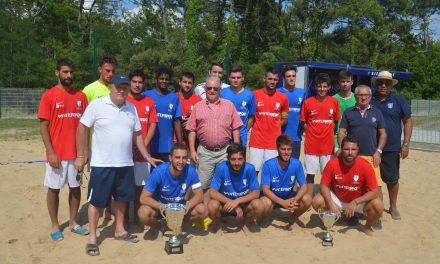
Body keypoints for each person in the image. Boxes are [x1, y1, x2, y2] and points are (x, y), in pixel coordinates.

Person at [75, 74, 161, 256]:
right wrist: (81, 155)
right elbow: (82, 127)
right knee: (96, 201)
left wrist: (146, 156)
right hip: (102, 164)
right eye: (118, 87)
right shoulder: (97, 105)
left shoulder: (131, 108)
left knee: (122, 199)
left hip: (125, 163)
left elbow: (138, 135)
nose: (122, 90)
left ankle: (120, 230)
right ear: (111, 87)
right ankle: (92, 237)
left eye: (125, 87)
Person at [38, 58, 89, 241]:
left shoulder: (81, 96)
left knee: (75, 189)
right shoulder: (49, 96)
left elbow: (85, 126)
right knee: (54, 189)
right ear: (57, 72)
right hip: (57, 154)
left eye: (71, 72)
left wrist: (85, 151)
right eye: (65, 72)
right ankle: (55, 225)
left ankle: (74, 222)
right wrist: (51, 152)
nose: (69, 75)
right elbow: (44, 127)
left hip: (77, 155)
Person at [312, 135, 384, 236]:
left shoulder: (365, 165)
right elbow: (324, 186)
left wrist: (355, 202)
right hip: (338, 199)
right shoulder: (332, 163)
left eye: (353, 149)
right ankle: (335, 218)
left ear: (358, 150)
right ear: (341, 149)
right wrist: (331, 204)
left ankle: (367, 227)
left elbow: (375, 191)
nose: (350, 152)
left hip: (358, 201)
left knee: (378, 205)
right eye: (346, 149)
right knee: (316, 201)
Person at [338, 85, 386, 229]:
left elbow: (383, 134)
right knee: (354, 187)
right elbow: (341, 132)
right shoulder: (348, 112)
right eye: (360, 95)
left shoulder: (377, 113)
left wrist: (378, 151)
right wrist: (343, 150)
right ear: (356, 96)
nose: (363, 97)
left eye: (366, 95)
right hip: (353, 157)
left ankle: (377, 217)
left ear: (370, 97)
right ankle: (353, 215)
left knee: (377, 188)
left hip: (371, 157)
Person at [186, 76, 243, 198]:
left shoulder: (229, 106)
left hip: (225, 151)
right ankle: (203, 212)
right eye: (209, 88)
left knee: (224, 182)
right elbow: (191, 130)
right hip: (205, 152)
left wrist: (236, 149)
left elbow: (236, 128)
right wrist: (192, 150)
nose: (212, 90)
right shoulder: (197, 107)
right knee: (203, 185)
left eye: (215, 88)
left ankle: (220, 212)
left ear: (220, 89)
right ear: (205, 89)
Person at [137, 143, 207, 237]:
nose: (181, 161)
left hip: (179, 208)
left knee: (203, 211)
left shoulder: (191, 170)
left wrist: (185, 207)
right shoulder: (159, 172)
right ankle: (160, 226)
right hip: (160, 207)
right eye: (177, 157)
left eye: (184, 158)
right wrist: (164, 207)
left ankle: (177, 224)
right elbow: (143, 198)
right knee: (143, 213)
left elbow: (199, 195)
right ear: (170, 158)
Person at [371, 70, 413, 221]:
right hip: (371, 147)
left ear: (391, 85)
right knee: (371, 180)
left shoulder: (399, 100)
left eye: (386, 83)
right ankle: (376, 205)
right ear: (375, 84)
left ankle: (393, 206)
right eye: (380, 82)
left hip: (391, 148)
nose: (383, 85)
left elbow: (407, 121)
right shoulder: (369, 100)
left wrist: (406, 144)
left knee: (392, 180)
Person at [208, 144, 263, 235]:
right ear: (228, 159)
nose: (237, 163)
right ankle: (218, 225)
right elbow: (212, 192)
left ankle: (246, 224)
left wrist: (237, 201)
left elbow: (256, 193)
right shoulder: (221, 168)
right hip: (225, 205)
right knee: (211, 205)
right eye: (233, 159)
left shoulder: (250, 168)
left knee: (259, 205)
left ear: (244, 159)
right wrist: (231, 203)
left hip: (243, 205)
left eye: (240, 159)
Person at [300, 73, 341, 196]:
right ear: (315, 87)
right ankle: (308, 198)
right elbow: (304, 122)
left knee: (327, 175)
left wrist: (326, 132)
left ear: (329, 87)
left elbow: (336, 121)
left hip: (328, 147)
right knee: (310, 174)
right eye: (319, 86)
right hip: (311, 145)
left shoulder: (334, 102)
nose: (322, 89)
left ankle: (326, 198)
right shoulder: (307, 102)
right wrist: (313, 132)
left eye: (324, 86)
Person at [126, 69, 158, 224]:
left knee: (140, 188)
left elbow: (152, 125)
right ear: (130, 83)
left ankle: (137, 219)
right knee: (124, 188)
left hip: (144, 154)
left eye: (140, 82)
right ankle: (124, 218)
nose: (137, 85)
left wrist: (143, 145)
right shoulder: (124, 100)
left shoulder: (149, 102)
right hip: (124, 154)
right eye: (134, 82)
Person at [260, 135, 311, 226]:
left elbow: (304, 186)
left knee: (307, 199)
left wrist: (295, 200)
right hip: (272, 197)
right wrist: (282, 202)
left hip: (289, 196)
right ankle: (264, 217)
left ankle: (292, 217)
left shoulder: (296, 163)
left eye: (289, 149)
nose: (286, 152)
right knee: (265, 202)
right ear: (277, 149)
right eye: (283, 149)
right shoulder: (268, 165)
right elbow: (265, 189)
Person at [248, 68, 289, 175]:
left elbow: (284, 118)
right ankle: (254, 191)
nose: (272, 81)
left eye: (275, 79)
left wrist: (275, 126)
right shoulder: (254, 95)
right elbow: (250, 116)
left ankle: (266, 192)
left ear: (278, 80)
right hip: (256, 140)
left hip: (273, 142)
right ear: (264, 79)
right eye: (270, 79)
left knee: (270, 172)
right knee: (254, 171)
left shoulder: (283, 98)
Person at [143, 67, 183, 163]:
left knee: (164, 176)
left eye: (167, 79)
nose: (164, 81)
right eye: (161, 78)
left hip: (167, 148)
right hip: (147, 146)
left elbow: (177, 121)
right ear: (156, 79)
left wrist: (180, 144)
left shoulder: (174, 97)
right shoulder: (146, 95)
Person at [220, 65, 256, 147]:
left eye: (238, 77)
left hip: (241, 136)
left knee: (239, 159)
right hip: (225, 135)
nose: (236, 80)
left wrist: (244, 131)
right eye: (233, 77)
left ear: (243, 78)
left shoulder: (249, 94)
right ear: (229, 78)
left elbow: (251, 117)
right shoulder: (222, 93)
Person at [277, 65, 305, 159]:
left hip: (296, 137)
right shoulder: (278, 92)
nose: (291, 78)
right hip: (280, 136)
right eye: (288, 76)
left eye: (293, 76)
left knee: (294, 164)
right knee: (280, 164)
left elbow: (305, 114)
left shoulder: (302, 92)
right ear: (284, 78)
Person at [176, 72, 201, 145]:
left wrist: (192, 122)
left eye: (190, 83)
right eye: (184, 82)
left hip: (192, 143)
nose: (187, 85)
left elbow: (203, 120)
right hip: (175, 141)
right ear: (180, 82)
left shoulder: (198, 100)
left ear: (193, 84)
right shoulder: (173, 98)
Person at [333, 70, 356, 152]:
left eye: (348, 81)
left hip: (353, 140)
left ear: (352, 82)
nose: (345, 84)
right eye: (343, 81)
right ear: (339, 82)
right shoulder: (333, 99)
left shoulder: (357, 99)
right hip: (335, 140)